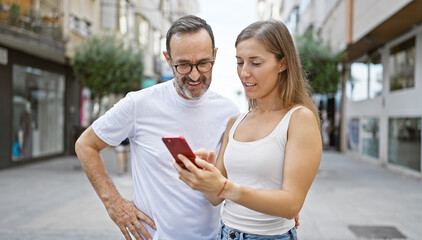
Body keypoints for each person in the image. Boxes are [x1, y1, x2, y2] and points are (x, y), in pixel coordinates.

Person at [75, 15, 240, 240]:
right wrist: (114, 205)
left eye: (203, 63)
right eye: (183, 65)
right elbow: (85, 144)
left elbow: (235, 179)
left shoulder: (229, 111)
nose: (194, 74)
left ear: (215, 55)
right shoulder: (138, 104)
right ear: (168, 59)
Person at [174, 20, 322, 240]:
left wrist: (227, 188)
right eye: (240, 62)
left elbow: (292, 204)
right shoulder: (236, 121)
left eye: (255, 63)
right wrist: (202, 173)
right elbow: (215, 197)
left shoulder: (299, 119)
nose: (244, 73)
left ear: (282, 63)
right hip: (226, 234)